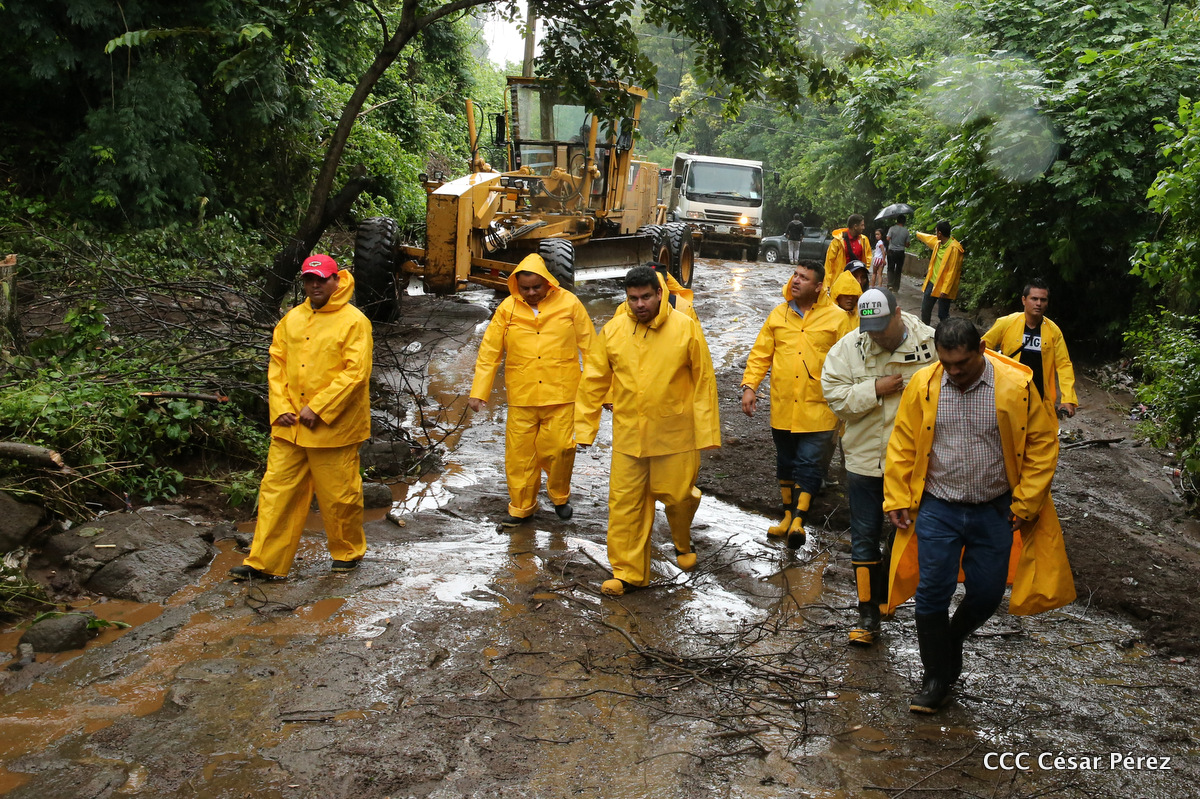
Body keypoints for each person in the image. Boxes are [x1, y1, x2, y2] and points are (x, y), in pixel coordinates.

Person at [883, 317, 1075, 713]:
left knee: (987, 594)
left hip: (995, 509)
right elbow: (903, 442)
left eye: (962, 363)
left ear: (982, 351)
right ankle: (935, 678)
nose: (954, 372)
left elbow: (1041, 445)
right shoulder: (924, 385)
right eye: (946, 363)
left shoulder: (1016, 387)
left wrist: (1026, 503)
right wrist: (897, 496)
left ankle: (952, 639)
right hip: (938, 507)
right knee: (931, 593)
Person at [575, 266, 720, 597]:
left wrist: (707, 432)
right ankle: (627, 574)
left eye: (645, 297)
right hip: (629, 435)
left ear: (659, 294)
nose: (639, 304)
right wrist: (584, 428)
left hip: (675, 434)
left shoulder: (685, 328)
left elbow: (703, 379)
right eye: (632, 298)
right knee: (625, 505)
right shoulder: (613, 330)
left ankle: (682, 539)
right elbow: (594, 379)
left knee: (678, 497)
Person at [231, 254, 373, 581]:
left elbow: (356, 373)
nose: (314, 285)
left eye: (321, 279)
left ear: (336, 279)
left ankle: (347, 553)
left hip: (334, 429)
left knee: (339, 497)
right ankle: (264, 562)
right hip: (290, 427)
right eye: (309, 279)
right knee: (276, 493)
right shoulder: (291, 320)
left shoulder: (354, 322)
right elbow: (277, 365)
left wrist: (320, 407)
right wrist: (281, 406)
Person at [821, 288, 936, 646]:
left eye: (882, 328)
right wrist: (874, 389)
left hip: (912, 464)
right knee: (864, 536)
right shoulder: (847, 349)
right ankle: (867, 616)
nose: (876, 336)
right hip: (864, 460)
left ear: (898, 314)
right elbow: (835, 398)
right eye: (869, 329)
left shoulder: (930, 345)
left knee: (902, 533)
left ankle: (887, 592)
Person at [469, 253, 595, 527]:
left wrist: (602, 394)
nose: (531, 293)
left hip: (562, 394)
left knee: (560, 450)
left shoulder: (570, 304)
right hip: (522, 396)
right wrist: (479, 391)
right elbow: (490, 351)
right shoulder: (507, 309)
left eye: (536, 287)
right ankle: (521, 507)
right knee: (520, 457)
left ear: (548, 282)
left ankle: (559, 495)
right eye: (525, 288)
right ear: (516, 286)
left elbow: (591, 348)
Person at [741, 260, 852, 549]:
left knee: (810, 464)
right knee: (786, 462)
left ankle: (800, 520)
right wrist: (750, 386)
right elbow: (761, 354)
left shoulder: (838, 318)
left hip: (820, 407)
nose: (796, 280)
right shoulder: (778, 315)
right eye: (795, 274)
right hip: (784, 405)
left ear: (818, 286)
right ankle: (787, 517)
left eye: (804, 277)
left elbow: (851, 361)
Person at [982, 278, 1078, 423]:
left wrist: (1068, 399)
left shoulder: (1053, 331)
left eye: (1043, 300)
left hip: (1040, 396)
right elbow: (982, 348)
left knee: (1040, 435)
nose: (1038, 303)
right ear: (1024, 300)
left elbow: (1064, 365)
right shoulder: (1006, 323)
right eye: (1034, 299)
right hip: (1008, 393)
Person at [915, 221, 964, 325]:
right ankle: (925, 330)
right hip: (932, 282)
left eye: (936, 231)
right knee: (925, 309)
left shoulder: (954, 248)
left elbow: (952, 271)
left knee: (943, 314)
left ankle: (945, 332)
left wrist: (945, 289)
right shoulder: (938, 243)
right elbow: (928, 238)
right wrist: (917, 234)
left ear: (940, 233)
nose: (935, 234)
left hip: (944, 286)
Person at [824, 214, 870, 292]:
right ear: (855, 226)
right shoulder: (838, 241)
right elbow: (829, 263)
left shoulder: (864, 240)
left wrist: (862, 275)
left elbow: (867, 259)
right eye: (862, 225)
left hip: (857, 282)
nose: (863, 228)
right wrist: (827, 283)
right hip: (841, 281)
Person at [885, 215, 910, 292]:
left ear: (897, 221)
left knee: (890, 268)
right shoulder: (906, 231)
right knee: (898, 269)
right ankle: (896, 287)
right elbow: (907, 245)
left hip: (891, 251)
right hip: (900, 252)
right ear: (904, 222)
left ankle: (890, 284)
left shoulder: (892, 228)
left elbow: (888, 238)